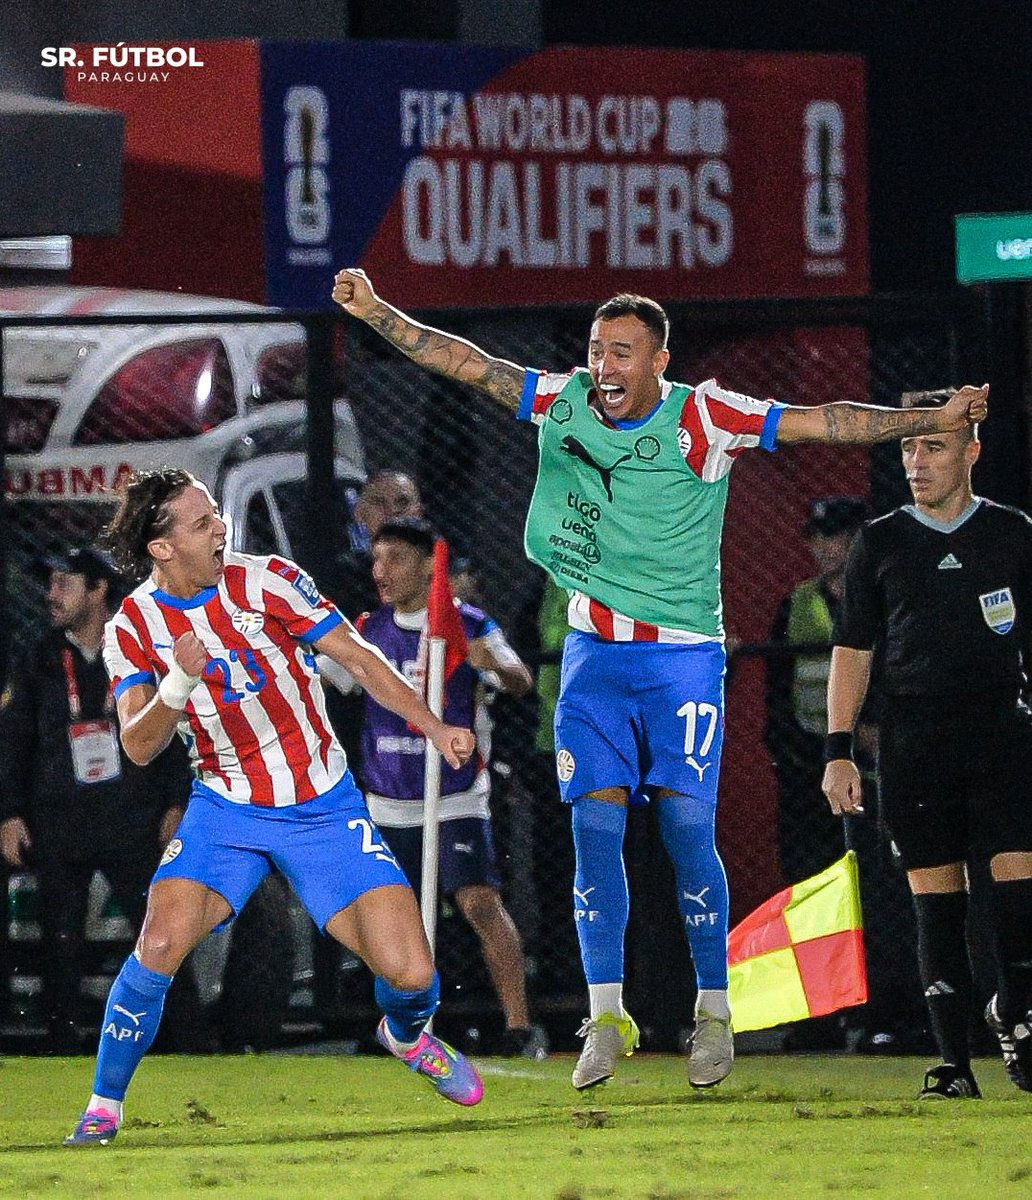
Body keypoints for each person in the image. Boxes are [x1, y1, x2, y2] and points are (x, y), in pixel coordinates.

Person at [332, 265, 988, 1091]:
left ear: (660, 361)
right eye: (598, 350)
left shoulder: (705, 417)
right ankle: (606, 1015)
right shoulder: (563, 401)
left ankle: (713, 1014)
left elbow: (826, 422)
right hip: (593, 661)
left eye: (623, 353)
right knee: (593, 838)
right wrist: (378, 311)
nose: (604, 366)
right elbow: (464, 362)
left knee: (685, 836)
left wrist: (927, 416)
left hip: (680, 662)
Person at [64, 467, 482, 1146]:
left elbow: (359, 655)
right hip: (225, 811)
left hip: (322, 807)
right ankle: (104, 1105)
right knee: (160, 942)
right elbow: (138, 746)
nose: (221, 528)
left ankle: (405, 1037)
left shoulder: (268, 580)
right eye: (202, 523)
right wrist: (179, 680)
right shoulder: (135, 624)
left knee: (412, 974)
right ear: (164, 547)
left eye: (215, 517)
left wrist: (431, 725)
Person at [823, 387, 1032, 1100]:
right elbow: (854, 649)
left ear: (971, 451)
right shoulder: (880, 541)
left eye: (933, 445)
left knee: (1018, 896)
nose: (917, 460)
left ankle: (1017, 1013)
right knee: (935, 904)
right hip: (915, 742)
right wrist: (838, 749)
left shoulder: (1012, 533)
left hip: (1002, 735)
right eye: (909, 446)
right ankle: (954, 1064)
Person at [329, 518, 539, 1054]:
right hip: (389, 797)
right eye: (376, 560)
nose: (382, 572)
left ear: (429, 564)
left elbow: (520, 681)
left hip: (455, 793)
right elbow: (328, 676)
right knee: (386, 914)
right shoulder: (366, 632)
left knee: (478, 904)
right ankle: (399, 1028)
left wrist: (490, 663)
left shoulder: (466, 624)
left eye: (396, 558)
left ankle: (518, 1025)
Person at [0, 546, 191, 1052]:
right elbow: (14, 741)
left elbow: (170, 728)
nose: (52, 594)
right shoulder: (39, 657)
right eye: (52, 583)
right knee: (60, 939)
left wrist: (176, 803)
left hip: (132, 818)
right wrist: (11, 813)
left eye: (65, 582)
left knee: (158, 930)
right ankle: (62, 1040)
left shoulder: (137, 649)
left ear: (98, 589)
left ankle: (185, 1037)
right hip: (59, 821)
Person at [765, 496, 869, 886]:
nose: (821, 547)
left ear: (856, 537)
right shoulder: (796, 605)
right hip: (807, 763)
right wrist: (789, 752)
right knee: (808, 872)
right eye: (815, 537)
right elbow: (777, 691)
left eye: (832, 536)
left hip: (871, 759)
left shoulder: (882, 599)